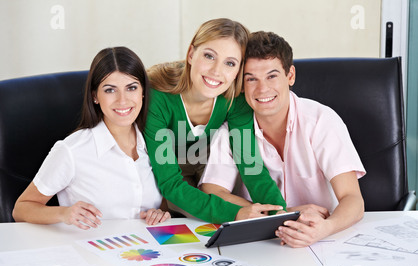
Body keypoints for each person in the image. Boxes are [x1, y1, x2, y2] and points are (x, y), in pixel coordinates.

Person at [200, 31, 366, 247]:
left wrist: (325, 228)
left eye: (272, 76)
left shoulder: (321, 121)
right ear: (241, 84)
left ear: (290, 76)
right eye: (251, 79)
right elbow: (213, 190)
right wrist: (282, 213)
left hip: (322, 240)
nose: (262, 89)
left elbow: (353, 199)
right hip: (260, 243)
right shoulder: (232, 130)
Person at [144, 18, 286, 224]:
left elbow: (250, 165)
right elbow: (171, 184)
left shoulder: (236, 100)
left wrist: (280, 213)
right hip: (167, 174)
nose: (216, 71)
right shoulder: (158, 96)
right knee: (177, 205)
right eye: (209, 56)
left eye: (230, 63)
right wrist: (235, 214)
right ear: (191, 54)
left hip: (208, 170)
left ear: (239, 70)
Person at [13, 47, 170, 229]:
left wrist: (159, 213)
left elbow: (163, 201)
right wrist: (64, 213)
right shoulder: (72, 150)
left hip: (145, 252)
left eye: (131, 88)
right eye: (110, 90)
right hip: (90, 252)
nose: (123, 100)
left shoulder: (157, 143)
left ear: (143, 91)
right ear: (95, 96)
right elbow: (21, 209)